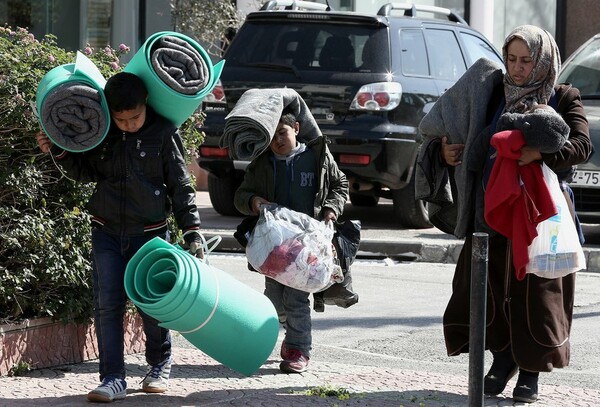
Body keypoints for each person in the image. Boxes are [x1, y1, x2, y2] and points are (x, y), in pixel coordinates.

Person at [415, 25, 592, 403]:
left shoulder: (564, 96)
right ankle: (503, 357)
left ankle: (530, 372)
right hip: (490, 210)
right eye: (511, 59)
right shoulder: (490, 90)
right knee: (489, 288)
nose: (517, 68)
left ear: (542, 61)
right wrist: (444, 153)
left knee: (537, 294)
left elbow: (581, 144)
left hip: (541, 217)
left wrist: (539, 154)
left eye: (526, 60)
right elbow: (449, 126)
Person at [36, 72, 205, 403]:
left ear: (146, 105)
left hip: (151, 236)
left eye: (135, 117)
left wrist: (193, 230)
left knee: (153, 306)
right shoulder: (103, 132)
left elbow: (182, 185)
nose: (129, 124)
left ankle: (159, 364)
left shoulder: (164, 132)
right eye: (121, 119)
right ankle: (113, 377)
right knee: (107, 305)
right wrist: (59, 153)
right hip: (106, 233)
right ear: (110, 113)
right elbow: (86, 173)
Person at [234, 106, 349, 374]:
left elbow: (339, 184)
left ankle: (299, 349)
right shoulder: (262, 163)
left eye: (282, 133)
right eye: (272, 136)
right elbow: (241, 194)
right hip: (274, 247)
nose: (278, 141)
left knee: (297, 298)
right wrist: (253, 202)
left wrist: (331, 208)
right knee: (273, 299)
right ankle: (287, 331)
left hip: (307, 246)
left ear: (296, 128)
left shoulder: (316, 157)